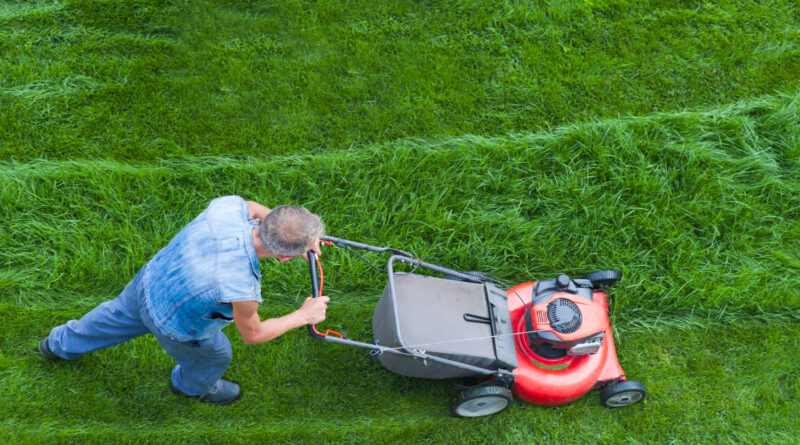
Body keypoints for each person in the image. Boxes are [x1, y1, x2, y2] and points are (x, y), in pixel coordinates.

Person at [38, 196, 329, 405]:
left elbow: (253, 208)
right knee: (216, 355)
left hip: (151, 281)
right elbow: (254, 334)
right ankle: (191, 387)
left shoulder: (225, 209)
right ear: (283, 258)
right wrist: (304, 315)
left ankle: (57, 344)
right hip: (175, 324)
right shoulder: (242, 287)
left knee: (111, 317)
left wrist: (297, 236)